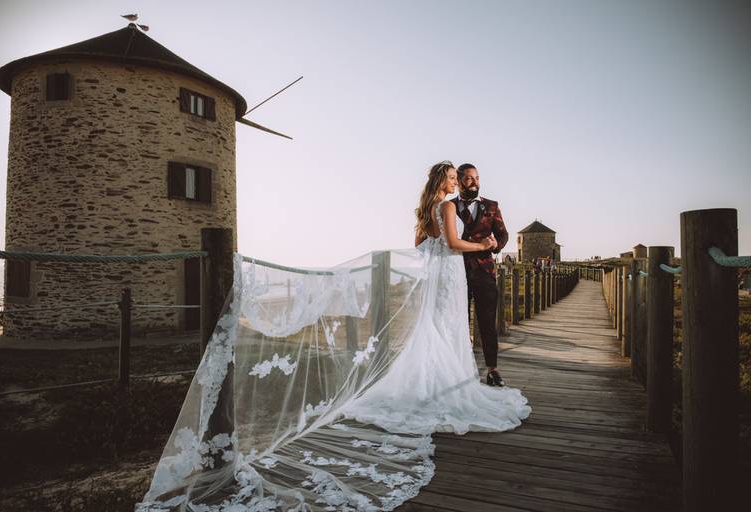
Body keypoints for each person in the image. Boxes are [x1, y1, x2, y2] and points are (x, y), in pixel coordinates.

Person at [136, 161, 530, 512]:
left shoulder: (434, 208)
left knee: (439, 331)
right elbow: (453, 244)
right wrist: (482, 244)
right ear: (444, 182)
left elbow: (423, 244)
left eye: (457, 178)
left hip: (444, 274)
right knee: (446, 330)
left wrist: (460, 248)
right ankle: (448, 383)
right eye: (451, 177)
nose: (455, 182)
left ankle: (452, 376)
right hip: (449, 273)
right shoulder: (446, 206)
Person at [451, 163, 509, 386]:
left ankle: (492, 369)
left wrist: (496, 244)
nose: (474, 182)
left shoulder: (492, 206)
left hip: (484, 272)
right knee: (459, 321)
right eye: (469, 178)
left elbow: (503, 234)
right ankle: (460, 369)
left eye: (477, 178)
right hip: (456, 272)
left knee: (487, 322)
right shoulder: (448, 206)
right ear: (458, 181)